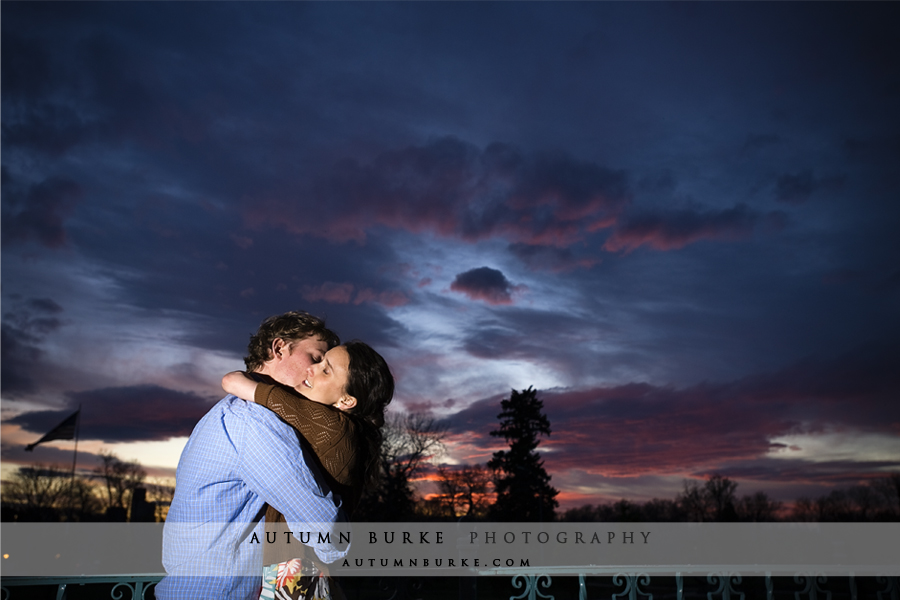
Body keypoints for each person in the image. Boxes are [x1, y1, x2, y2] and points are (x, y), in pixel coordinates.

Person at [157, 312, 349, 600]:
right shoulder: (253, 420)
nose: (316, 370)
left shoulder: (233, 411)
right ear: (280, 348)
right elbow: (324, 528)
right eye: (315, 356)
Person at [221, 339, 393, 600]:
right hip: (305, 569)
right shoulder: (343, 430)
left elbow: (233, 382)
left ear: (346, 400)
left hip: (296, 571)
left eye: (326, 370)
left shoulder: (329, 424)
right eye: (319, 361)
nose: (311, 369)